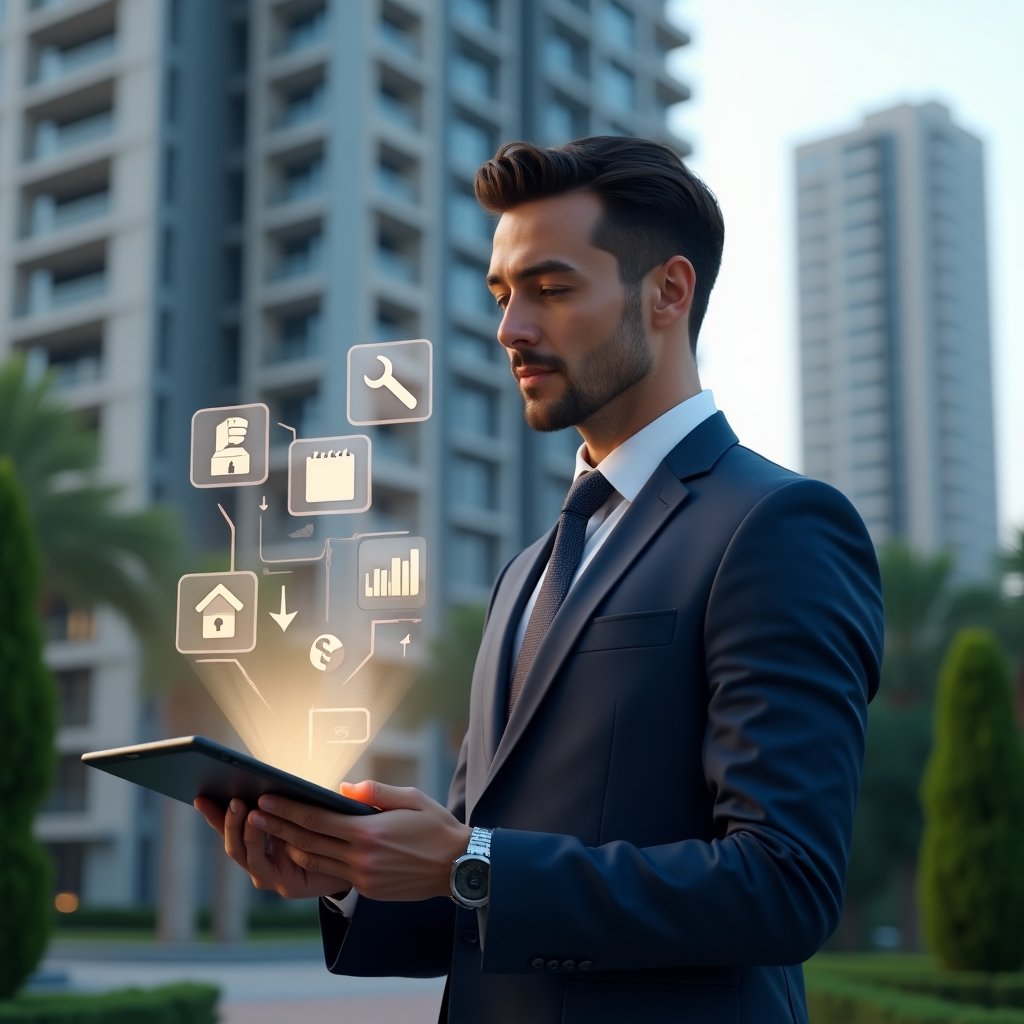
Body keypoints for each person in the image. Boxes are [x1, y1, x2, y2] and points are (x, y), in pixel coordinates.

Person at [196, 136, 884, 1024]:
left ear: (669, 292)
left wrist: (466, 862)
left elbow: (784, 883)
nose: (510, 328)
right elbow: (476, 893)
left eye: (550, 289)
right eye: (502, 293)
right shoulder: (527, 572)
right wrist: (355, 874)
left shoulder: (778, 526)